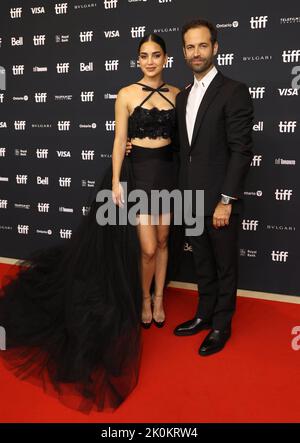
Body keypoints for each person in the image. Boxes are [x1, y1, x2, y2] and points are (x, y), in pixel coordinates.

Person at [0, 34, 179, 413]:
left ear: (167, 58)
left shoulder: (178, 94)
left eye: (156, 55)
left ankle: (160, 299)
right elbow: (119, 140)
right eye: (144, 56)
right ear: (138, 60)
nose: (150, 61)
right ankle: (143, 300)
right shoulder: (126, 94)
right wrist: (116, 180)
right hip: (137, 175)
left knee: (164, 241)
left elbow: (185, 140)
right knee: (146, 246)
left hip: (170, 174)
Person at [173, 19, 254, 356]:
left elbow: (241, 149)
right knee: (202, 263)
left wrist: (226, 200)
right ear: (183, 52)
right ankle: (204, 314)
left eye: (202, 45)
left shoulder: (234, 91)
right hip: (190, 198)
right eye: (190, 47)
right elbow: (183, 150)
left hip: (219, 200)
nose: (196, 52)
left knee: (224, 265)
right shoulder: (182, 97)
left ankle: (222, 324)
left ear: (215, 48)